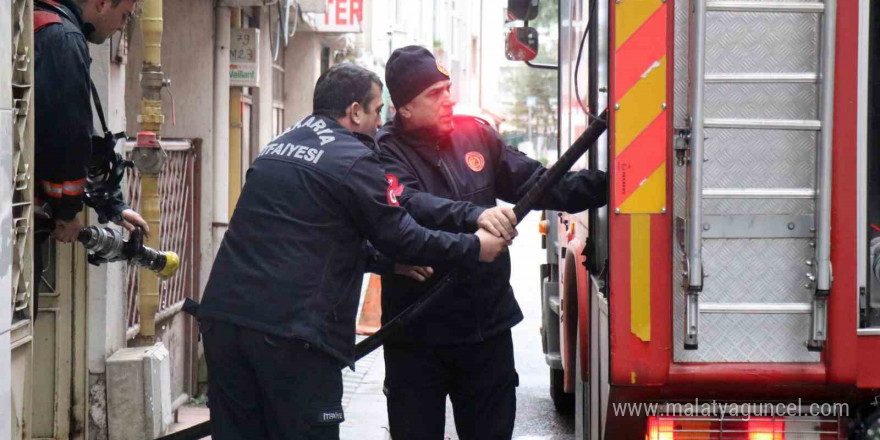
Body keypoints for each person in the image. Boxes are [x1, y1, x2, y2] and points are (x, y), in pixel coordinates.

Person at [196, 63, 509, 440]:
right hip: (292, 336)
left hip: (224, 321)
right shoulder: (353, 158)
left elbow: (313, 234)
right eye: (378, 110)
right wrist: (475, 247)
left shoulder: (277, 146)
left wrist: (388, 263)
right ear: (355, 111)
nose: (381, 122)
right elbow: (403, 236)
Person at [375, 45, 608, 440]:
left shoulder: (476, 135)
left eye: (447, 88)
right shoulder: (383, 153)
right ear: (404, 108)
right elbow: (411, 203)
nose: (448, 99)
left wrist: (612, 184)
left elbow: (539, 184)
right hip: (417, 337)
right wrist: (475, 215)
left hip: (485, 330)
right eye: (434, 94)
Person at [33, 0, 147, 309]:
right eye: (123, 15)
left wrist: (112, 206)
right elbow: (67, 139)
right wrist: (68, 214)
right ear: (101, 3)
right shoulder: (64, 40)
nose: (122, 26)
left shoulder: (36, 22)